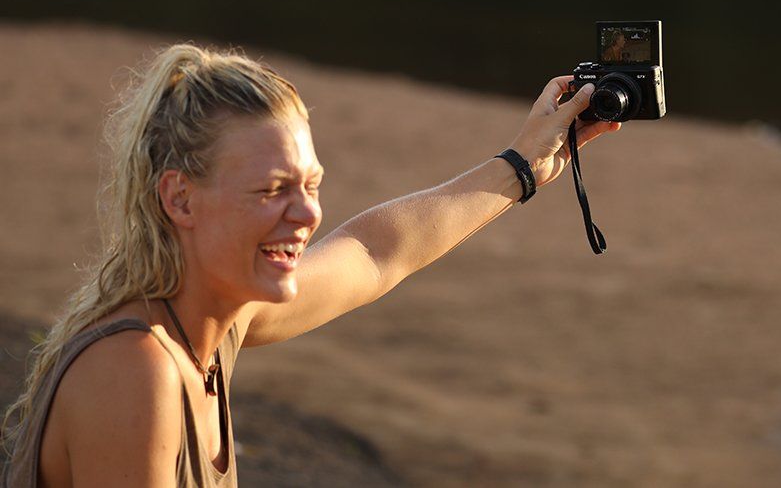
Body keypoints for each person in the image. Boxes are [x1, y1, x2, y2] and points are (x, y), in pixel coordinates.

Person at [1, 43, 621, 487]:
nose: (306, 215)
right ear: (179, 197)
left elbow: (377, 253)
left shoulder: (211, 320)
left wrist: (523, 165)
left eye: (311, 185)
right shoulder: (137, 372)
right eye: (272, 189)